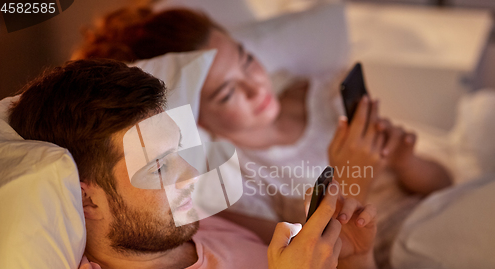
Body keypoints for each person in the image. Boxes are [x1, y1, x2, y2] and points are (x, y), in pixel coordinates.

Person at [8, 59, 378, 269]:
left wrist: (357, 262)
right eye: (159, 166)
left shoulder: (195, 223)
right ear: (89, 200)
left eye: (179, 152)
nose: (191, 174)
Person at [72, 6, 452, 225]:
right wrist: (353, 177)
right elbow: (317, 261)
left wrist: (406, 161)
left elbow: (443, 180)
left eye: (247, 61)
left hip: (439, 208)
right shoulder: (234, 177)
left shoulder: (324, 92)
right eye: (227, 92)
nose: (256, 87)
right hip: (397, 249)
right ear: (196, 116)